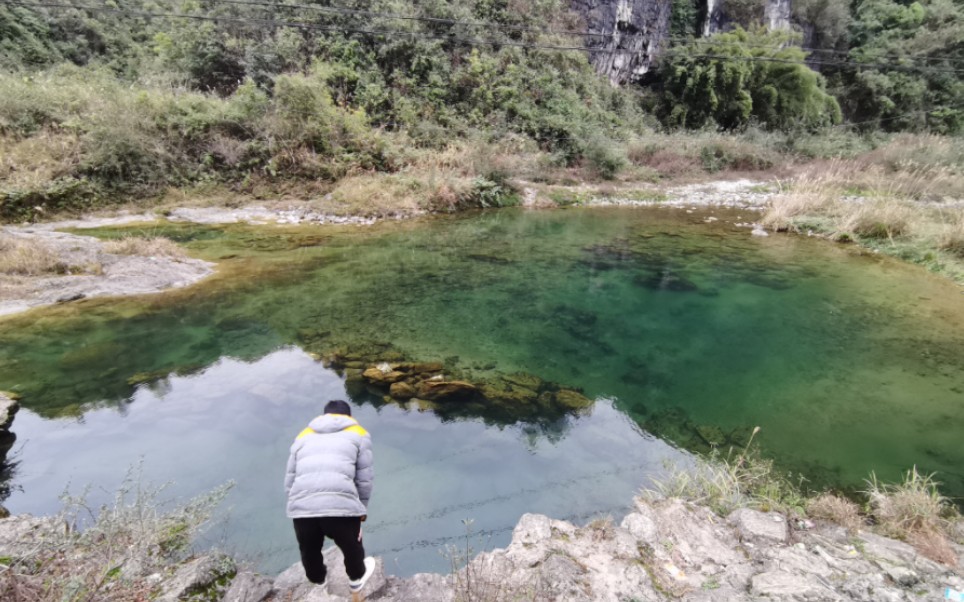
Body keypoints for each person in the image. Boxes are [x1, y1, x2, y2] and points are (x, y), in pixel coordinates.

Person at [285, 399, 375, 593]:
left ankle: (318, 583)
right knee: (352, 545)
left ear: (324, 415)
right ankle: (356, 579)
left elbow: (290, 478)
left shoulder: (303, 436)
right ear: (349, 417)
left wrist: (297, 503)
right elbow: (364, 478)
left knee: (309, 549)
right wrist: (361, 509)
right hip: (340, 505)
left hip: (302, 507)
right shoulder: (359, 434)